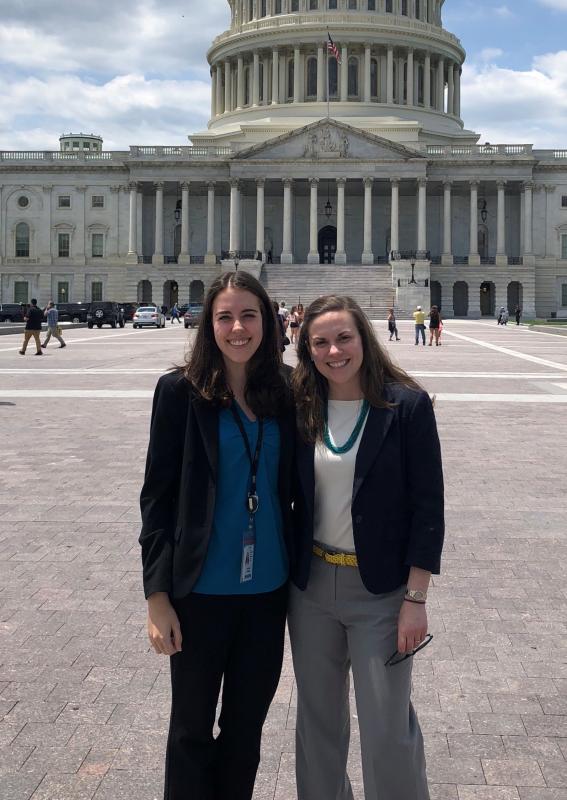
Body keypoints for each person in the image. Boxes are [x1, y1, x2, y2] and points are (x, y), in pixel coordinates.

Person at [139, 271, 295, 800]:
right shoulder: (179, 392)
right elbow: (157, 498)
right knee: (189, 731)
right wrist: (156, 598)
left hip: (267, 594)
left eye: (249, 315)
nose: (237, 328)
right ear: (209, 325)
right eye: (225, 316)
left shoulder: (286, 392)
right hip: (198, 593)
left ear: (267, 322)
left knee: (245, 731)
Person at [289, 295, 444, 800]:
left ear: (364, 339)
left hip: (380, 590)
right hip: (311, 586)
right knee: (317, 725)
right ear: (307, 349)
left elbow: (428, 509)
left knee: (386, 727)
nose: (334, 350)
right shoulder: (301, 406)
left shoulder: (407, 407)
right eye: (321, 342)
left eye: (344, 338)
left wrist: (415, 600)